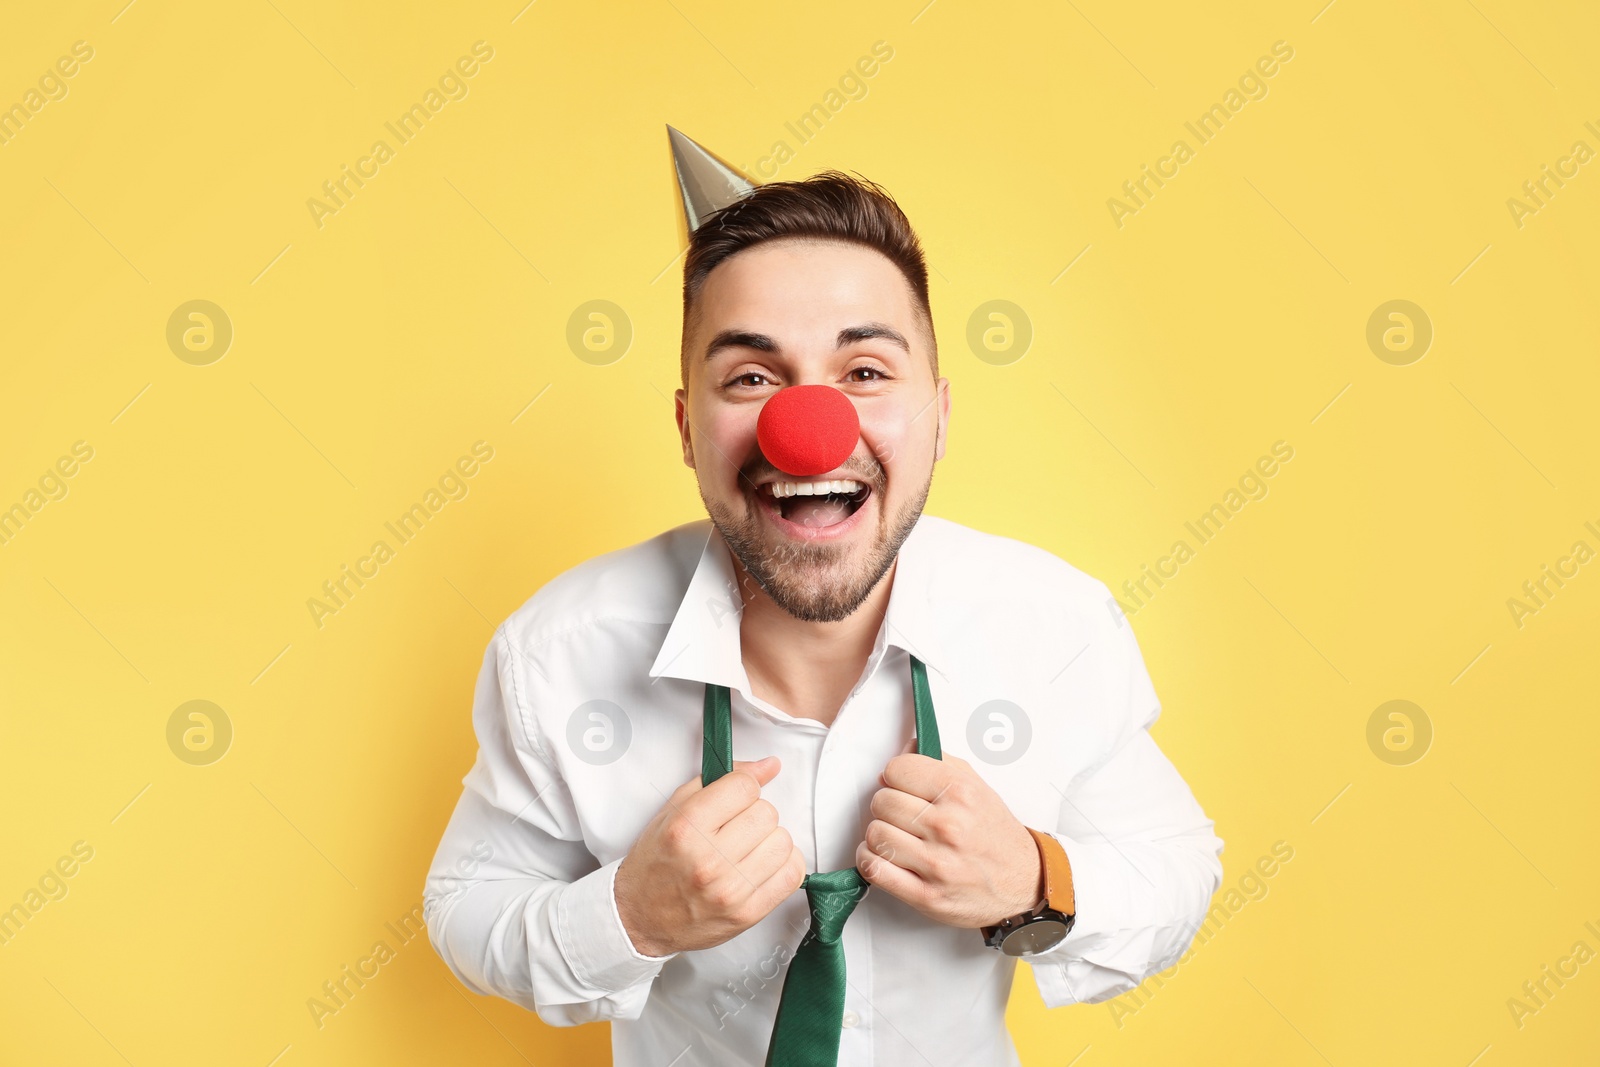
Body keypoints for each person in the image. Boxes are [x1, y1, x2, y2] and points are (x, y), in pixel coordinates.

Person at [423, 131, 1224, 1067]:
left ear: (940, 417)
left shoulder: (1052, 627)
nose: (809, 429)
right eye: (753, 377)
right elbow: (464, 906)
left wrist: (1035, 879)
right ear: (688, 427)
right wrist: (628, 915)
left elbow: (1177, 871)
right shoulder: (559, 650)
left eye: (866, 373)